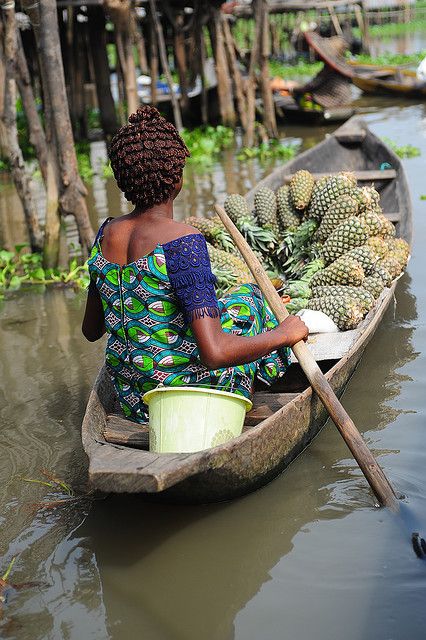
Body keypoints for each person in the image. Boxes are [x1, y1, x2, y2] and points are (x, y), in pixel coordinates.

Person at [82, 106, 308, 424]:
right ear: (177, 177)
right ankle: (251, 387)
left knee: (237, 298)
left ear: (122, 179)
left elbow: (91, 330)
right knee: (252, 300)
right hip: (183, 400)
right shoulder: (183, 241)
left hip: (133, 398)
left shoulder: (106, 233)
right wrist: (285, 334)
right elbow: (215, 353)